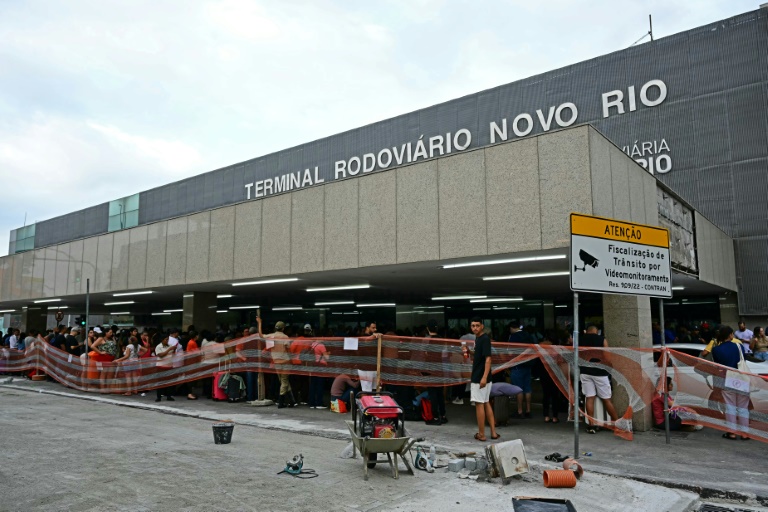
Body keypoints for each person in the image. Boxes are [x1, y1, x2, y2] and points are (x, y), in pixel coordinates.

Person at [712, 325, 750, 440]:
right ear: (730, 335)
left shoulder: (716, 349)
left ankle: (732, 433)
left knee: (730, 406)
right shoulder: (739, 346)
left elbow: (718, 366)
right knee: (743, 407)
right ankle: (744, 434)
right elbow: (744, 360)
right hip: (742, 378)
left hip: (727, 379)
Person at [579, 325, 619, 434]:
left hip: (585, 371)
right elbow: (607, 357)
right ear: (596, 331)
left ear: (587, 331)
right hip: (600, 372)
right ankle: (617, 424)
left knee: (589, 397)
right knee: (606, 399)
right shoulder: (601, 339)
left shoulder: (580, 339)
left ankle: (591, 425)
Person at [469, 317, 498, 442]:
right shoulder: (479, 339)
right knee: (486, 402)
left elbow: (488, 359)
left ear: (482, 326)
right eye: (473, 325)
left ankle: (481, 434)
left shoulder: (484, 339)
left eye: (477, 325)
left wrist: (484, 377)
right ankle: (493, 432)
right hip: (484, 377)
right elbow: (479, 355)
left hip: (480, 377)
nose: (475, 328)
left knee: (479, 404)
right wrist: (469, 352)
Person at [258, 318, 295, 408]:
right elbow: (288, 348)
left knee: (283, 381)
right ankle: (281, 402)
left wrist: (259, 323)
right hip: (285, 361)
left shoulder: (271, 336)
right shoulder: (285, 337)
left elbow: (261, 335)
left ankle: (291, 401)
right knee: (284, 381)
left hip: (276, 361)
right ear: (283, 328)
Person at [508, 320, 535, 419]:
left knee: (518, 389)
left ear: (511, 328)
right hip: (528, 365)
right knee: (527, 388)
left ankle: (520, 411)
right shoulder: (528, 335)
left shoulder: (513, 337)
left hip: (517, 365)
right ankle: (528, 410)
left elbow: (510, 353)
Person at [425, 319, 447, 425]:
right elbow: (445, 354)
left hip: (430, 368)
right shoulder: (441, 340)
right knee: (439, 393)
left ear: (427, 328)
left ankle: (434, 416)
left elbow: (425, 354)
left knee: (432, 393)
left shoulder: (427, 340)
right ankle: (443, 415)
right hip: (440, 368)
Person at [308, 325, 329, 409]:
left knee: (313, 385)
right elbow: (327, 357)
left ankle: (311, 403)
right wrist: (328, 353)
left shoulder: (312, 344)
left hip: (313, 366)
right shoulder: (321, 345)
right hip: (320, 366)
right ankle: (319, 403)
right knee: (320, 385)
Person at [154, 335, 176, 402]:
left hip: (169, 366)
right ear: (162, 340)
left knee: (169, 382)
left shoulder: (169, 346)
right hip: (161, 366)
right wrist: (169, 349)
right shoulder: (158, 346)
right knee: (160, 382)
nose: (167, 341)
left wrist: (174, 349)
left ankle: (169, 396)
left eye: (168, 339)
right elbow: (161, 355)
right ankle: (159, 397)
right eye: (166, 339)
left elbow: (173, 353)